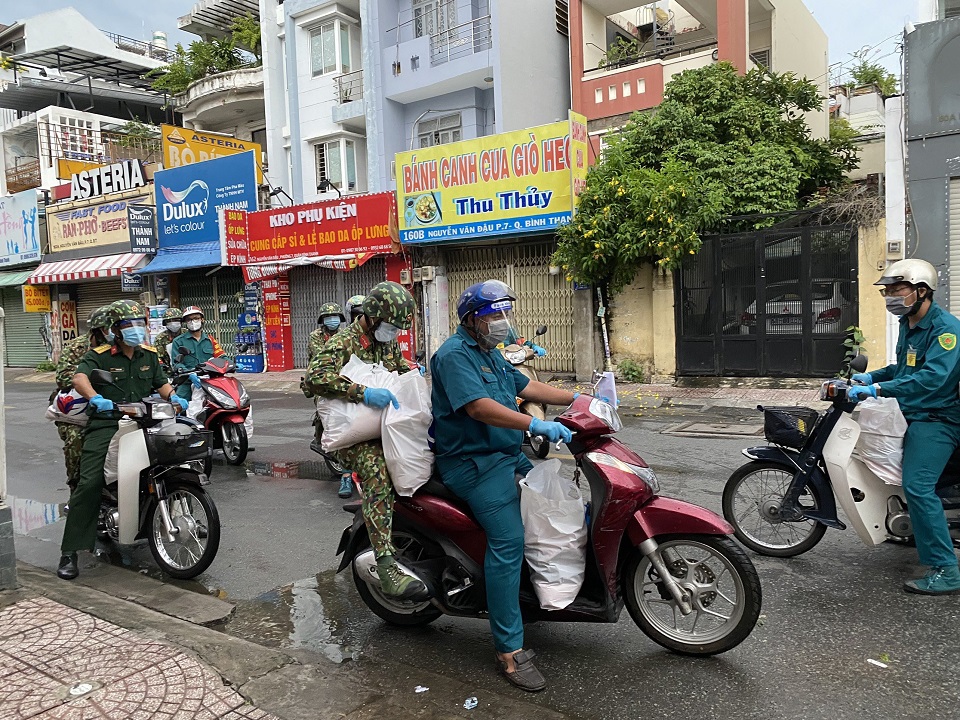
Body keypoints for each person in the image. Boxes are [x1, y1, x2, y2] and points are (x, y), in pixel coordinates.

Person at [430, 280, 578, 692]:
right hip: (473, 463)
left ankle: (524, 598)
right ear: (472, 319)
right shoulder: (454, 355)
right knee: (509, 540)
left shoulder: (491, 355)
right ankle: (509, 650)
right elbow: (479, 408)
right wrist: (535, 423)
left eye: (504, 313)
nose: (502, 322)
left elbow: (526, 387)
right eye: (494, 315)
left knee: (547, 513)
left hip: (507, 454)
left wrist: (580, 399)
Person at [303, 281, 428, 600]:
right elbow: (315, 377)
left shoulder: (386, 342)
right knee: (378, 473)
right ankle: (385, 564)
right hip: (352, 434)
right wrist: (361, 392)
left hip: (385, 422)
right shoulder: (344, 341)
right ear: (371, 317)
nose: (394, 332)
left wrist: (417, 376)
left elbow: (399, 370)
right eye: (390, 325)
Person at [849, 258, 960, 595]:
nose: (890, 297)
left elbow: (932, 379)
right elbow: (904, 368)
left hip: (938, 420)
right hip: (912, 415)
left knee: (918, 485)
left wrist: (877, 389)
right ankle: (916, 529)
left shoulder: (946, 330)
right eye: (887, 291)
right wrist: (872, 375)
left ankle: (947, 569)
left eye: (896, 290)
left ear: (921, 290)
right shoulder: (909, 323)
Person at [57, 300, 188, 580]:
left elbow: (160, 382)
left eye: (139, 323)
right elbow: (80, 378)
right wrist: (96, 398)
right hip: (107, 423)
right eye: (129, 325)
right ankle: (70, 551)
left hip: (144, 419)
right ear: (115, 329)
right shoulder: (100, 355)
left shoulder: (149, 355)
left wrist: (173, 397)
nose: (136, 330)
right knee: (90, 482)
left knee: (172, 460)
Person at [54, 305, 114, 491]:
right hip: (79, 408)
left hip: (114, 403)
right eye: (109, 328)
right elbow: (63, 377)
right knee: (76, 442)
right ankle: (77, 490)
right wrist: (88, 381)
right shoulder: (78, 347)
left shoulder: (121, 346)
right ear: (99, 330)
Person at [305, 301, 353, 498]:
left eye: (335, 316)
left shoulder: (346, 334)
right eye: (328, 317)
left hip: (345, 380)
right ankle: (346, 474)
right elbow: (324, 358)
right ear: (322, 321)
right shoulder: (316, 337)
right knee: (331, 417)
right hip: (322, 382)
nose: (332, 320)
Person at [171, 306, 226, 401]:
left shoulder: (210, 340)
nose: (193, 322)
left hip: (210, 380)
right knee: (179, 407)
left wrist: (233, 364)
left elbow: (221, 356)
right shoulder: (178, 341)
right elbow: (176, 363)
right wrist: (189, 374)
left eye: (196, 318)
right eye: (189, 320)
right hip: (188, 381)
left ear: (202, 319)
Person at [154, 307, 185, 377]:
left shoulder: (187, 334)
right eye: (169, 321)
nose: (173, 323)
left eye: (176, 320)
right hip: (169, 374)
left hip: (187, 370)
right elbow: (158, 359)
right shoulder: (160, 339)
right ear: (165, 323)